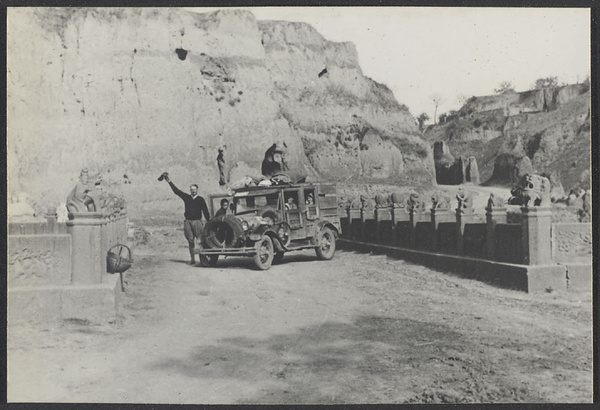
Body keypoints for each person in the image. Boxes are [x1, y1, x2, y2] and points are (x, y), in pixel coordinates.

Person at [160, 172, 210, 265]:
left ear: (197, 190)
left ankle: (202, 260)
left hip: (197, 222)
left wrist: (208, 221)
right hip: (188, 222)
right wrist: (169, 181)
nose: (193, 191)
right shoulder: (186, 197)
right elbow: (177, 191)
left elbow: (206, 211)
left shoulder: (201, 200)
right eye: (191, 189)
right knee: (190, 241)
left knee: (200, 241)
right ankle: (192, 259)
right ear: (190, 190)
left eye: (194, 189)